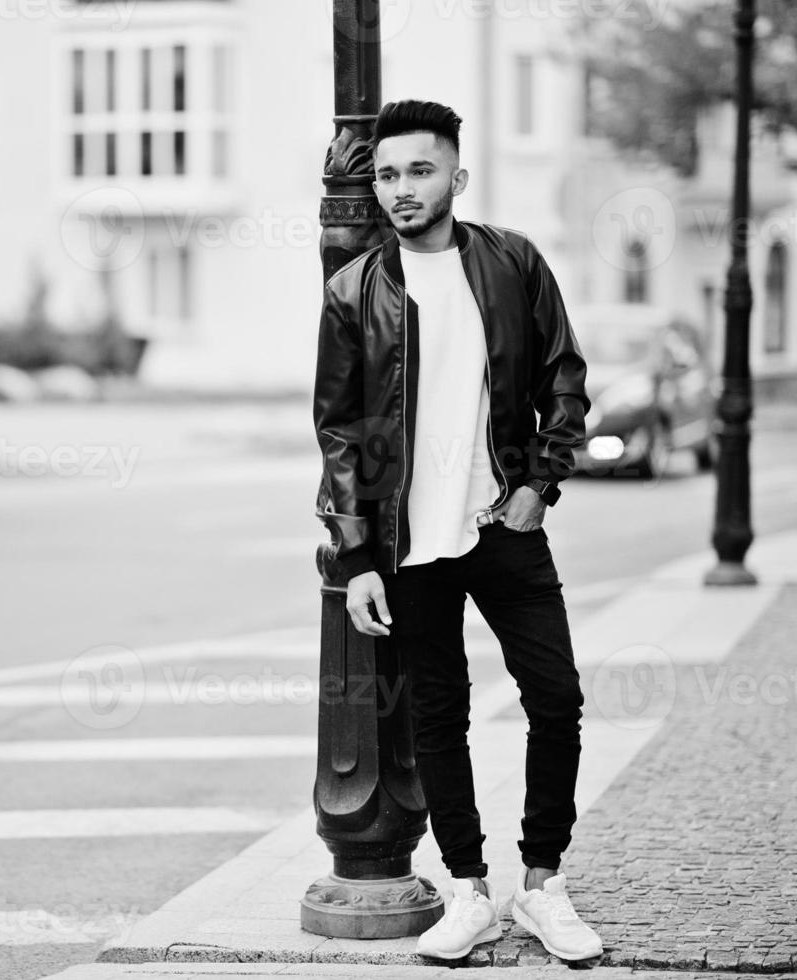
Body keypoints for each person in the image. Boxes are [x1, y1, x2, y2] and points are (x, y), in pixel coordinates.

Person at [312, 99, 603, 962]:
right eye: (387, 174)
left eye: (419, 171)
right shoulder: (352, 290)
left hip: (503, 528)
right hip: (409, 546)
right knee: (438, 719)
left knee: (556, 698)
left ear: (456, 177)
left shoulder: (510, 262)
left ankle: (543, 884)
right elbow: (339, 432)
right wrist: (357, 555)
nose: (401, 189)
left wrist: (537, 487)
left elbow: (563, 377)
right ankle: (470, 892)